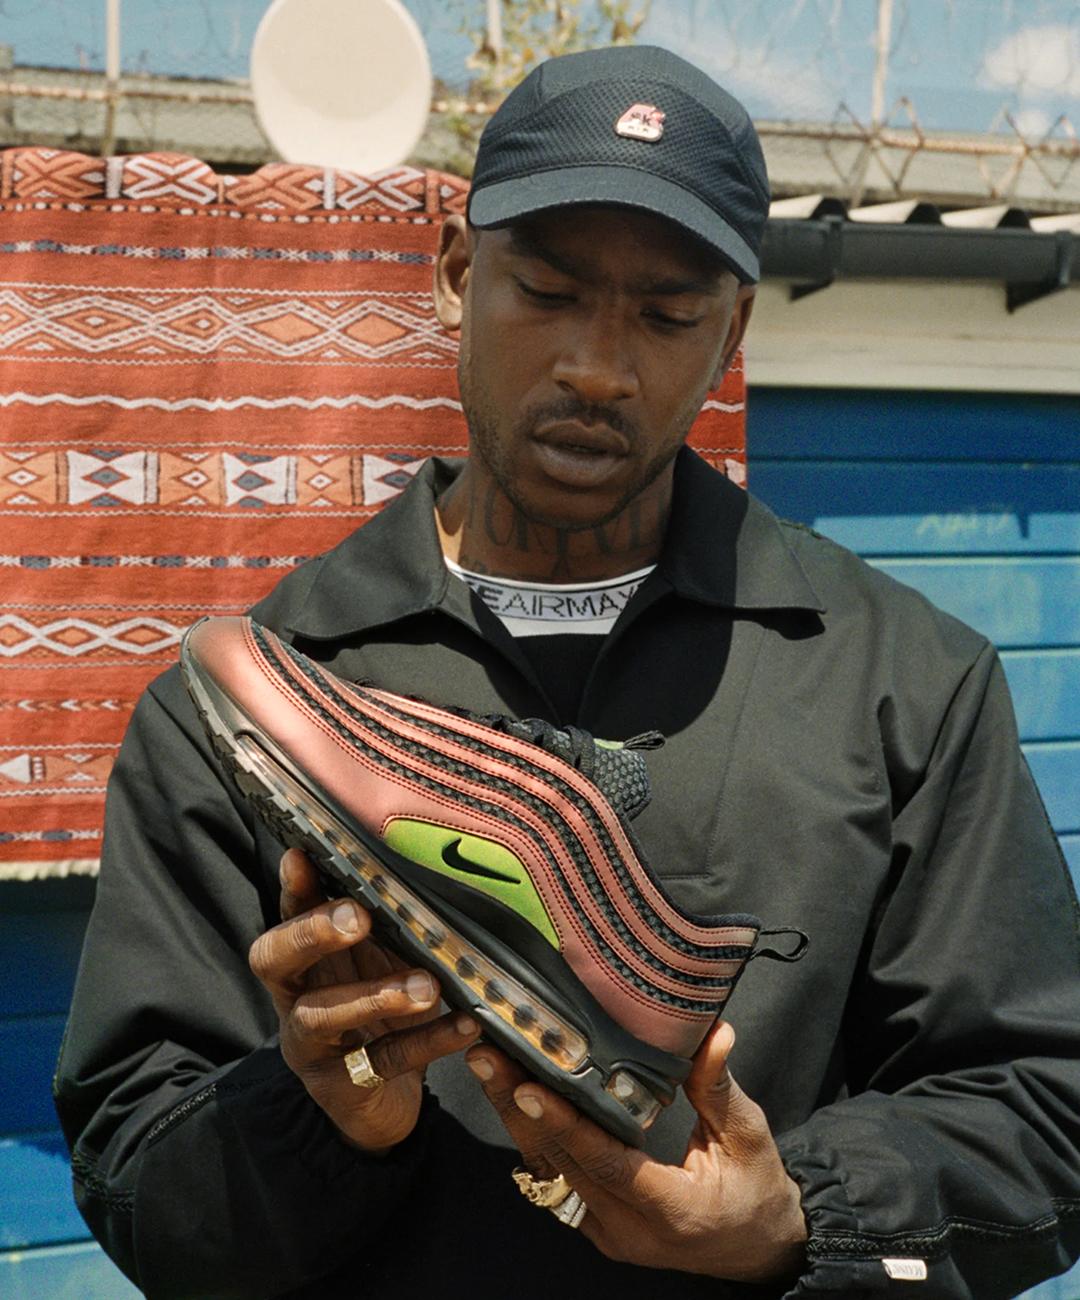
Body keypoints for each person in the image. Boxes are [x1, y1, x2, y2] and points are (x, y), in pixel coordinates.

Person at [55, 44, 1080, 1300]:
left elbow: (1046, 1106)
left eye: (665, 315)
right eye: (546, 290)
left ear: (734, 333)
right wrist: (321, 1110)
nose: (599, 366)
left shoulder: (908, 682)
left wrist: (797, 1212)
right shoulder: (250, 706)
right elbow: (140, 1183)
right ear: (453, 272)